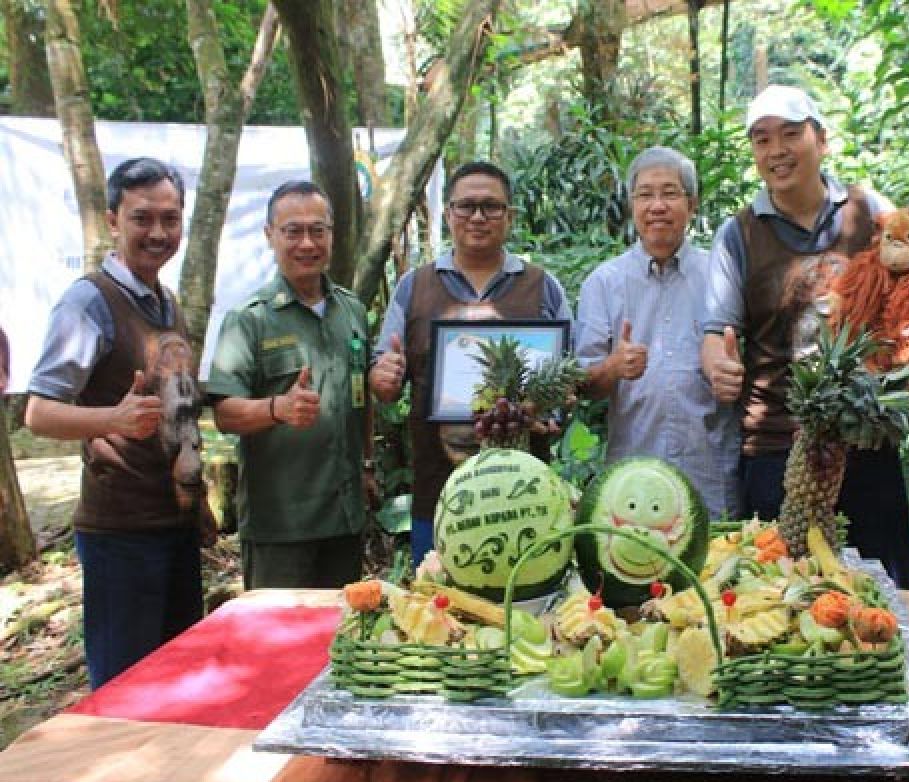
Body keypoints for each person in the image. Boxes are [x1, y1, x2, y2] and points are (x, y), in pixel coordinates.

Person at [700, 84, 909, 588]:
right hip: (778, 448)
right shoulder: (739, 234)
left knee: (882, 595)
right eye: (761, 139)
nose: (776, 150)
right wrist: (718, 365)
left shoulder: (872, 214)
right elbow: (717, 332)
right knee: (782, 597)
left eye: (790, 134)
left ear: (821, 139)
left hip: (866, 442)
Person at [25, 157, 209, 688]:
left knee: (177, 684)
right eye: (142, 218)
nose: (158, 233)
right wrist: (114, 418)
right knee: (125, 692)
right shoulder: (89, 302)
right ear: (112, 221)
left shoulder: (164, 302)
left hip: (173, 526)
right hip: (122, 534)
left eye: (170, 219)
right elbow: (39, 412)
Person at [369, 161, 573, 567]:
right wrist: (383, 376)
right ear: (448, 215)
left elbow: (569, 374)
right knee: (439, 609)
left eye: (491, 207)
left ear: (510, 217)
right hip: (439, 492)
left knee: (524, 608)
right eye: (466, 206)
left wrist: (557, 409)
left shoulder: (542, 286)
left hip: (526, 497)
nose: (478, 216)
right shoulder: (415, 287)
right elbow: (383, 375)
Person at [207, 181, 375, 590]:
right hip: (281, 528)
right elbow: (225, 412)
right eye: (292, 231)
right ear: (270, 236)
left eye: (318, 230)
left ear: (332, 235)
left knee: (338, 640)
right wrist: (276, 409)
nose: (306, 243)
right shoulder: (250, 320)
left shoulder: (350, 310)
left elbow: (360, 396)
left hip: (345, 519)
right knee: (277, 648)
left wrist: (367, 466)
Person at [575, 146, 739, 518]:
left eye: (670, 193)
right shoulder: (604, 283)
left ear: (692, 204)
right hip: (632, 475)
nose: (657, 205)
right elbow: (581, 384)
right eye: (645, 194)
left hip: (709, 473)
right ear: (632, 205)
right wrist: (613, 367)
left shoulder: (722, 275)